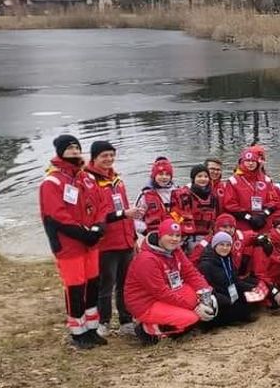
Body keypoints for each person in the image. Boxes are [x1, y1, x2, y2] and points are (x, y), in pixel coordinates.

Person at [40, 134, 108, 349]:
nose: (75, 151)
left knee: (93, 285)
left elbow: (101, 204)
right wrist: (84, 234)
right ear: (60, 152)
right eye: (70, 148)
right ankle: (78, 332)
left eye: (77, 147)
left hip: (91, 243)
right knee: (75, 288)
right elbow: (56, 215)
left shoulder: (85, 178)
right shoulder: (52, 182)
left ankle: (92, 328)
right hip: (69, 245)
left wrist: (98, 227)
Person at [83, 140, 142, 337]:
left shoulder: (116, 179)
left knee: (125, 284)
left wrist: (133, 237)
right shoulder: (89, 181)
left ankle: (126, 321)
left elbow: (125, 209)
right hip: (106, 243)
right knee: (105, 285)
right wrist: (124, 214)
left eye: (111, 155)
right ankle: (104, 322)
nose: (109, 159)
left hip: (125, 240)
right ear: (94, 158)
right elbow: (95, 216)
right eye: (104, 156)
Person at [124, 220, 215, 345]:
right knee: (191, 318)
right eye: (170, 235)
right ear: (161, 235)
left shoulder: (176, 251)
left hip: (168, 292)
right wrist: (194, 308)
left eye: (177, 236)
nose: (174, 239)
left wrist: (207, 294)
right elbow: (160, 292)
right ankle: (147, 330)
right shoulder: (146, 259)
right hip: (146, 303)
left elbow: (191, 273)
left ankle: (172, 319)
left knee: (198, 300)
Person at [196, 232, 260, 326]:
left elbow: (235, 281)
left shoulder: (228, 260)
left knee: (251, 300)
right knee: (242, 310)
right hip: (216, 299)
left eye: (228, 245)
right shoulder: (206, 264)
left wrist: (251, 288)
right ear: (215, 245)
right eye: (221, 244)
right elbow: (205, 289)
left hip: (229, 293)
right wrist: (222, 299)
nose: (225, 248)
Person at [223, 147, 280, 233]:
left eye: (253, 161)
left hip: (263, 223)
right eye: (247, 161)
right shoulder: (233, 181)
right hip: (242, 224)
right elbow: (230, 205)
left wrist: (264, 214)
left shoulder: (266, 180)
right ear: (242, 162)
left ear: (257, 162)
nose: (250, 163)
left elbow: (274, 201)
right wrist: (249, 217)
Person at [172, 164, 219, 253]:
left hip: (208, 234)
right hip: (190, 236)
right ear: (193, 179)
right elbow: (174, 214)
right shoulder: (184, 196)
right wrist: (184, 230)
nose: (203, 179)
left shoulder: (213, 196)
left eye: (206, 176)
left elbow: (215, 216)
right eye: (199, 176)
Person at [134, 157, 177, 235]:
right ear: (154, 176)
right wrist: (146, 231)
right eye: (160, 174)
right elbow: (136, 219)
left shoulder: (177, 191)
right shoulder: (145, 194)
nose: (164, 177)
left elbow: (182, 213)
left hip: (174, 233)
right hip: (154, 234)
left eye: (167, 174)